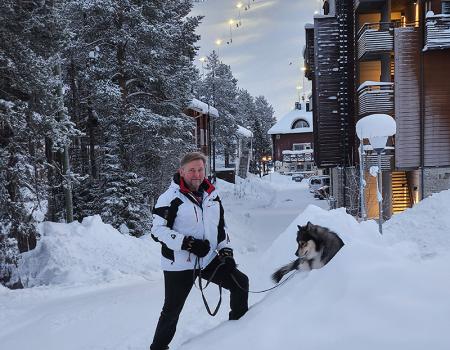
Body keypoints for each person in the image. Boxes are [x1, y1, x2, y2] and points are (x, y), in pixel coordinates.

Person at [149, 152, 249, 350]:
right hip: (179, 263)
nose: (197, 174)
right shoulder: (170, 197)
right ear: (182, 171)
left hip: (208, 259)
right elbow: (157, 231)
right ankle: (158, 348)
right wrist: (188, 244)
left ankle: (240, 331)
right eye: (192, 170)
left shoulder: (212, 195)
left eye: (200, 169)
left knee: (240, 282)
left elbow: (220, 228)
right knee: (172, 311)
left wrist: (226, 251)